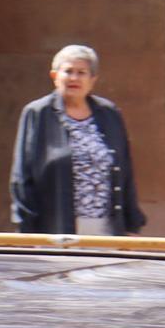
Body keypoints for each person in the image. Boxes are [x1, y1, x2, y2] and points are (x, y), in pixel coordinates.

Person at [10, 44, 144, 236]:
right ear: (55, 76)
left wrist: (132, 226)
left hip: (106, 229)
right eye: (68, 71)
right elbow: (22, 176)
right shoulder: (38, 114)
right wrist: (26, 229)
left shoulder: (109, 113)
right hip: (56, 229)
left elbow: (126, 172)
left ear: (93, 80)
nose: (74, 78)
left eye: (82, 72)